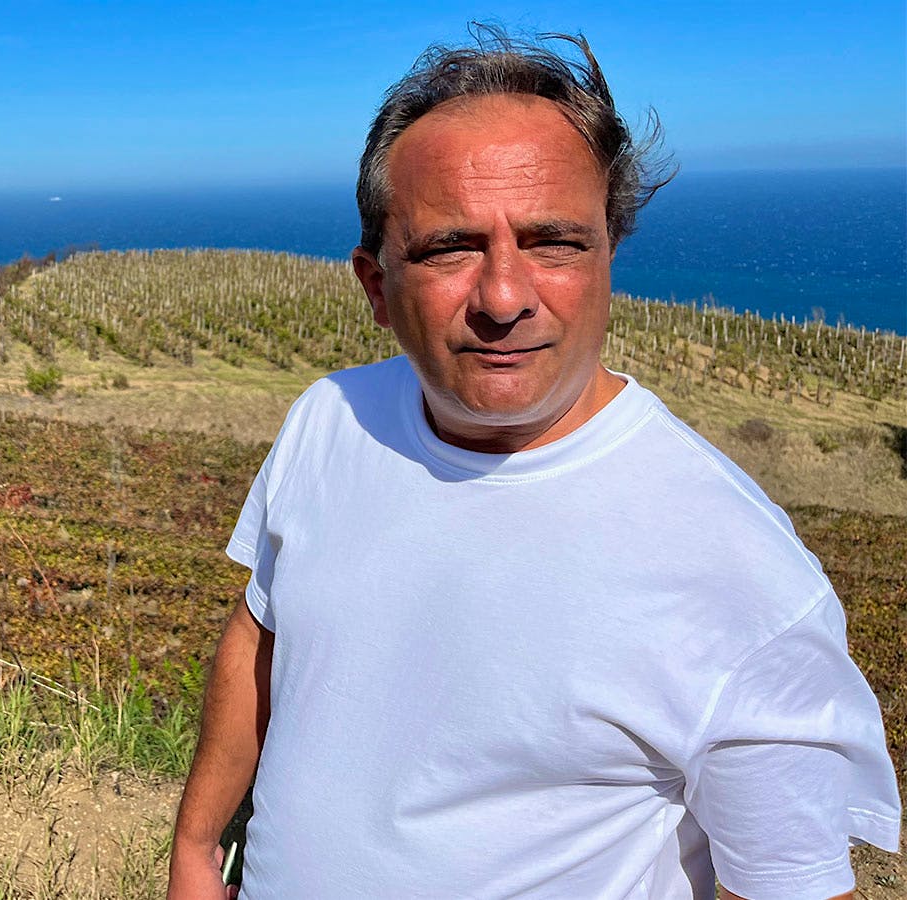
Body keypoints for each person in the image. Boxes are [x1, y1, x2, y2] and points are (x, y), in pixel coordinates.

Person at [169, 27, 900, 900]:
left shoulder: (739, 573)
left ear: (608, 264)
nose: (506, 296)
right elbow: (263, 632)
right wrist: (195, 848)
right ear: (375, 286)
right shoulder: (328, 420)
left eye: (555, 242)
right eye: (451, 247)